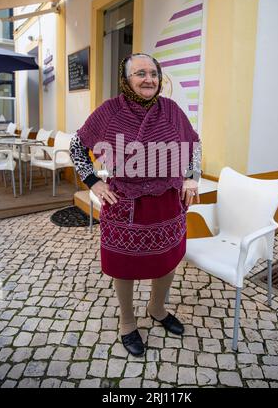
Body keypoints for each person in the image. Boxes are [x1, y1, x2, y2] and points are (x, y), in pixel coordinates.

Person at [70, 53, 201, 357]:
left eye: (154, 73)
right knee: (124, 265)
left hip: (168, 201)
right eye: (140, 73)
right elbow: (77, 146)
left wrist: (191, 177)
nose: (149, 79)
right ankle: (127, 322)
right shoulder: (109, 111)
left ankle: (157, 308)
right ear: (126, 80)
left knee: (168, 258)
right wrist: (94, 182)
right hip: (125, 203)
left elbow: (194, 142)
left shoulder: (170, 110)